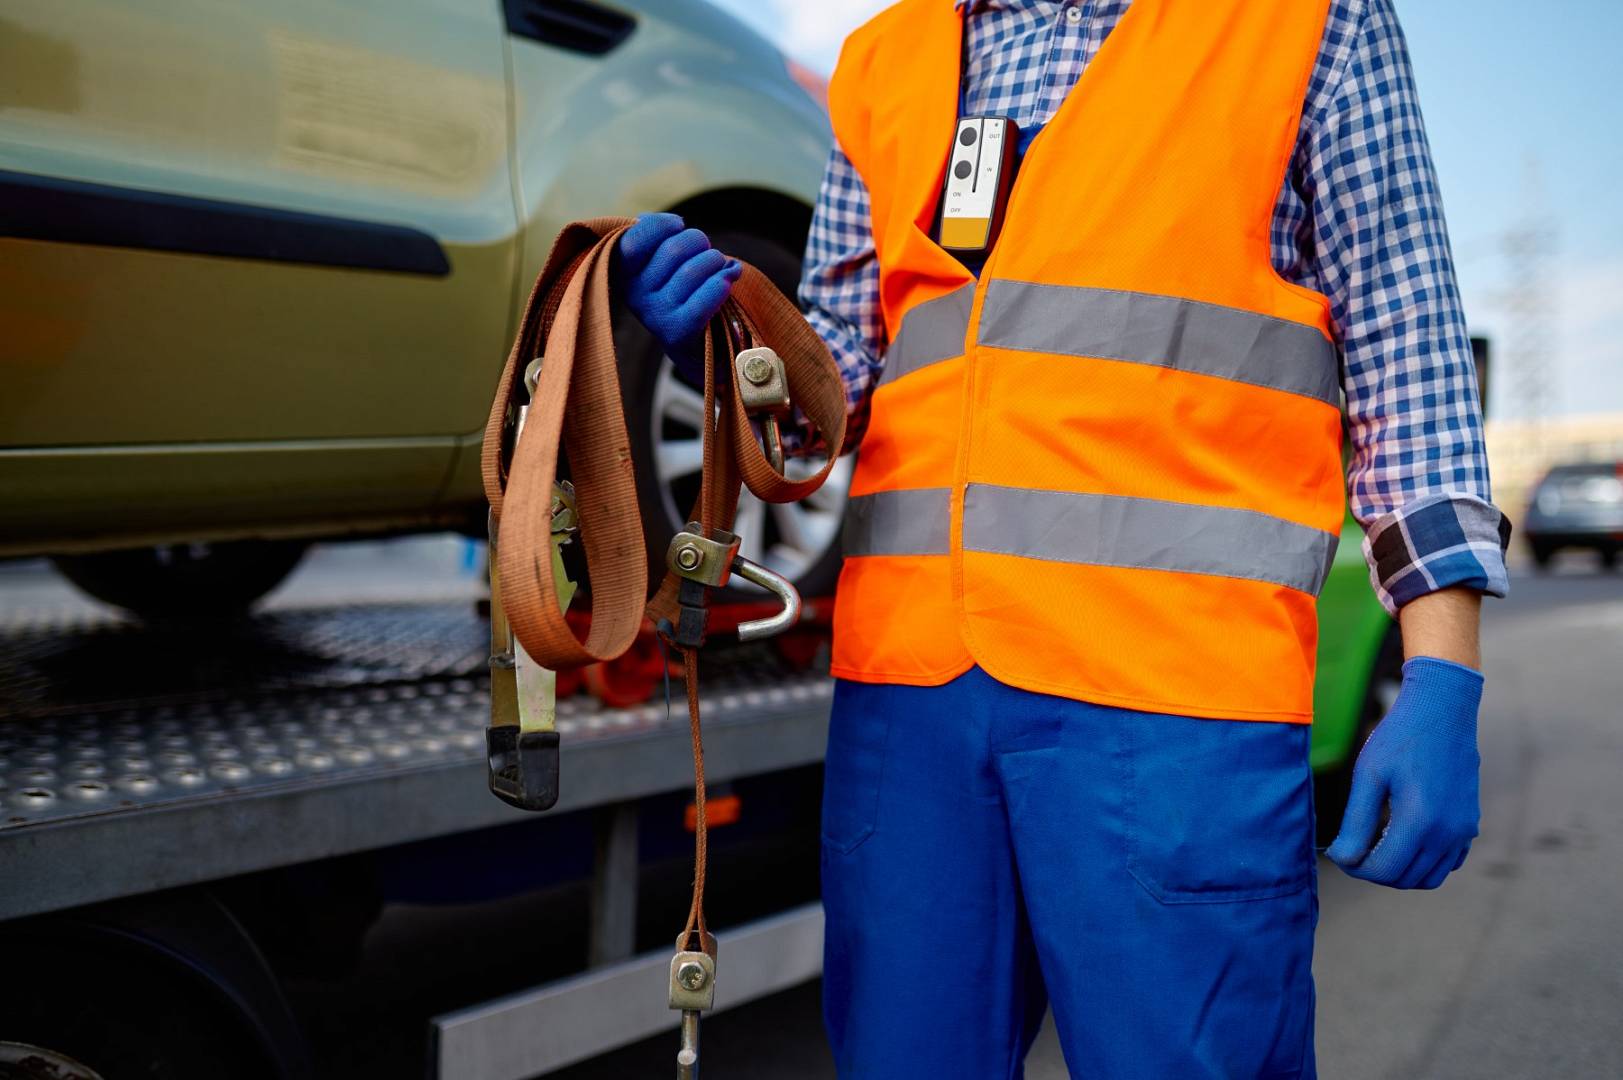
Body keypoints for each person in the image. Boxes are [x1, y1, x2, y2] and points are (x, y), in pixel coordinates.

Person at [614, 0, 1509, 1074]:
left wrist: (1442, 670)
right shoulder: (885, 63)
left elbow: (1407, 354)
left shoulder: (1305, 24)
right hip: (911, 709)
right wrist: (733, 348)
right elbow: (839, 380)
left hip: (1174, 706)